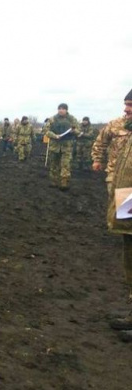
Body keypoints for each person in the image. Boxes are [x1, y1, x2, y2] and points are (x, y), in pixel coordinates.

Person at [101, 88, 132, 342]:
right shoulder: (129, 133)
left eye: (131, 106)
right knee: (129, 257)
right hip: (128, 200)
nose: (126, 110)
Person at [93, 113, 132, 195]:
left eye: (130, 105)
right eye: (126, 104)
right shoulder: (115, 124)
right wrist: (97, 159)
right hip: (115, 173)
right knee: (118, 205)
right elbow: (101, 141)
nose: (126, 109)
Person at [44, 103, 80, 190]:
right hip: (54, 146)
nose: (61, 110)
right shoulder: (52, 119)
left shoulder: (72, 119)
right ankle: (54, 182)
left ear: (66, 110)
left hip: (67, 146)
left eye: (63, 109)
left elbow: (78, 131)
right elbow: (46, 130)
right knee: (53, 164)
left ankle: (64, 183)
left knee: (65, 165)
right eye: (59, 108)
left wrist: (73, 131)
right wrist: (54, 136)